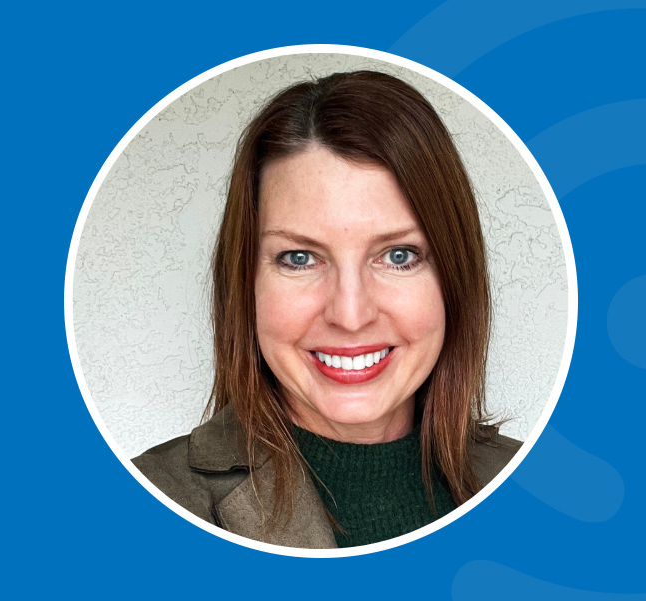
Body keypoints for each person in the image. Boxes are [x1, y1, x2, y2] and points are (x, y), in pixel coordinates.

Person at [133, 70, 521, 549]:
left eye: (399, 255)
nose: (350, 314)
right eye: (299, 258)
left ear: (454, 278)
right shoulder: (147, 498)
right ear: (245, 283)